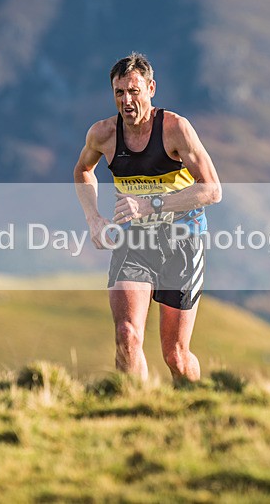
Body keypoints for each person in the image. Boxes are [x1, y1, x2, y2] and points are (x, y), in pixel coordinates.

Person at [74, 52, 222, 383]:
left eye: (134, 90)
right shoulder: (103, 134)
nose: (126, 100)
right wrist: (93, 218)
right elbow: (83, 170)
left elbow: (212, 190)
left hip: (182, 241)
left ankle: (196, 407)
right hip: (134, 242)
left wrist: (149, 205)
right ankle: (133, 411)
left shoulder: (175, 129)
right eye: (119, 92)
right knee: (127, 336)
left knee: (176, 356)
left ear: (151, 88)